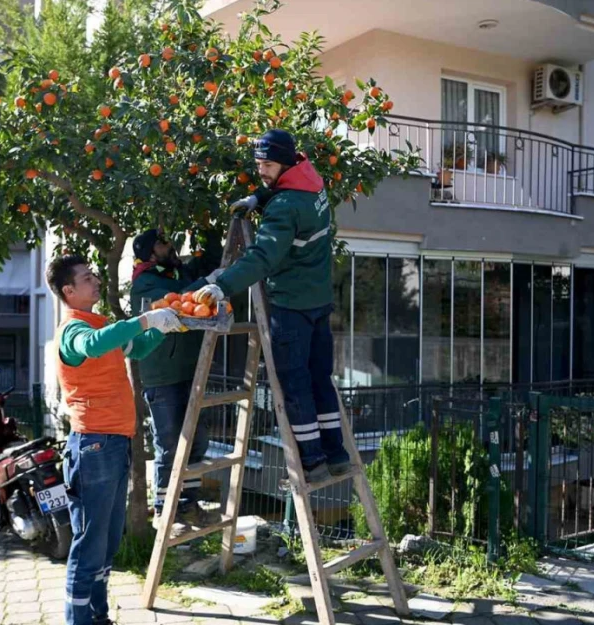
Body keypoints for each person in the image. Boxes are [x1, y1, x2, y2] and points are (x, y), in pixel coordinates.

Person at [196, 129, 349, 483]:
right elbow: (286, 192)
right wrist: (258, 197)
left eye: (266, 164)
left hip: (291, 306)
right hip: (319, 300)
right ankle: (336, 453)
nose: (261, 170)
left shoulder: (284, 208)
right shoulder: (313, 182)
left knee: (294, 385)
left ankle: (311, 460)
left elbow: (263, 256)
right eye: (258, 164)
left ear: (283, 161)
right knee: (320, 379)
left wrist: (223, 285)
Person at [47, 254, 183, 625]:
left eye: (94, 274)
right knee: (90, 542)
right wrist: (144, 319)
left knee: (107, 542)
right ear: (68, 291)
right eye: (87, 277)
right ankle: (78, 619)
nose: (95, 281)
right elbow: (93, 345)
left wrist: (166, 327)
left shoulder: (98, 324)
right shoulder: (73, 331)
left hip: (114, 443)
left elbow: (134, 348)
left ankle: (98, 614)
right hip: (93, 446)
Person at [129, 228, 223, 528]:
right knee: (170, 443)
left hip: (191, 369)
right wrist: (207, 283)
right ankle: (163, 509)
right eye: (162, 243)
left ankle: (187, 505)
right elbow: (176, 303)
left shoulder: (177, 273)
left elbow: (209, 259)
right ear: (149, 253)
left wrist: (206, 224)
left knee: (197, 440)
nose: (170, 246)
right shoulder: (145, 283)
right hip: (163, 375)